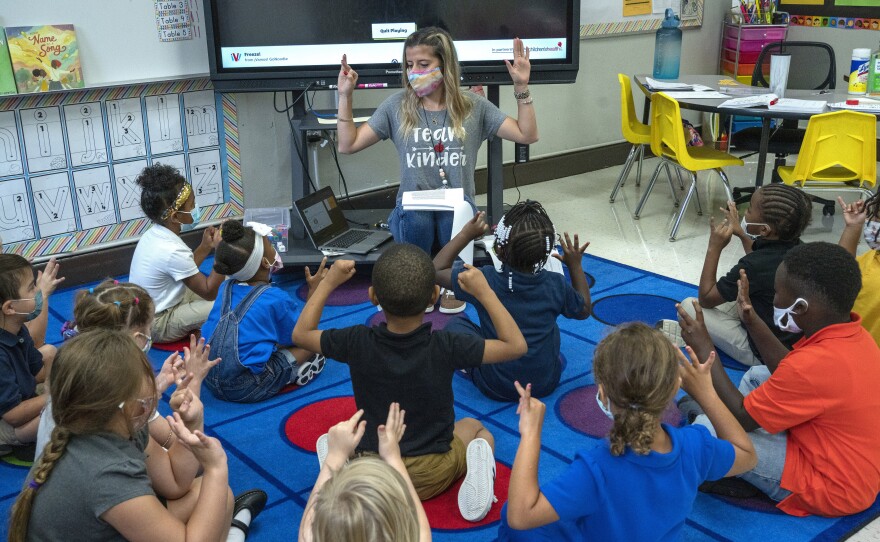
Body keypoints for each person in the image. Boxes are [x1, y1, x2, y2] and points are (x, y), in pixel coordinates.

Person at [293, 244, 527, 521]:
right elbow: (515, 346)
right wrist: (485, 293)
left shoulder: (356, 340)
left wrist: (328, 283)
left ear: (372, 297)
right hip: (432, 472)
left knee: (342, 433)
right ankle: (478, 474)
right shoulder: (447, 344)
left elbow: (301, 334)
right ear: (434, 295)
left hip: (374, 471)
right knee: (476, 430)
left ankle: (341, 467)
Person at [336, 26, 538, 310]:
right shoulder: (397, 106)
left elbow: (526, 135)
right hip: (412, 211)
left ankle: (446, 279)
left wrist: (521, 87)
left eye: (423, 64)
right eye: (409, 65)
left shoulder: (473, 106)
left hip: (456, 209)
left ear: (445, 65)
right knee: (417, 217)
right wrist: (345, 96)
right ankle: (420, 281)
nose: (413, 72)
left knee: (452, 219)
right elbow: (348, 144)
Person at [497, 323, 757, 540]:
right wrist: (706, 394)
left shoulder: (596, 469)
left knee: (512, 519)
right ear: (673, 389)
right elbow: (747, 455)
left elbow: (521, 516)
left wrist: (531, 433)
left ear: (602, 393)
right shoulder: (695, 446)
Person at [677, 242, 880, 516]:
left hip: (829, 487)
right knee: (757, 376)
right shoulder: (855, 335)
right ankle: (736, 457)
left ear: (802, 306)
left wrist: (705, 348)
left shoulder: (813, 366)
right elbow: (791, 371)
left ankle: (740, 472)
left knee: (707, 432)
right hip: (851, 461)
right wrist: (751, 320)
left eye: (777, 292)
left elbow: (741, 418)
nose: (773, 299)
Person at [8, 329, 268, 542]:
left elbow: (175, 483)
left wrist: (191, 424)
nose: (152, 403)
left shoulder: (110, 424)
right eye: (145, 401)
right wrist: (215, 468)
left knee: (216, 496)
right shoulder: (105, 474)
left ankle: (234, 528)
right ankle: (235, 531)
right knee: (216, 493)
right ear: (117, 406)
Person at [34, 280, 219, 465]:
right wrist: (193, 383)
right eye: (150, 326)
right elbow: (184, 453)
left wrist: (159, 384)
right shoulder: (128, 393)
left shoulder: (70, 367)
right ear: (138, 339)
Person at [434, 202, 591, 401]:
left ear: (499, 249)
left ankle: (471, 369)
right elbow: (584, 309)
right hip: (545, 383)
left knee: (456, 325)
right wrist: (575, 266)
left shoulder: (484, 280)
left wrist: (466, 234)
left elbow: (436, 270)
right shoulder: (556, 284)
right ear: (547, 251)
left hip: (495, 384)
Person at [660, 184, 812, 367]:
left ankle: (697, 336)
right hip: (789, 337)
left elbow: (706, 297)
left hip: (762, 352)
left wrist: (714, 247)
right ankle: (699, 332)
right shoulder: (800, 248)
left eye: (748, 210)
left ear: (764, 230)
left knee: (689, 307)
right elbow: (759, 260)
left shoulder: (753, 266)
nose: (744, 214)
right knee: (734, 293)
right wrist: (740, 233)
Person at [203, 220, 327, 402]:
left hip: (208, 376)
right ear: (264, 262)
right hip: (246, 387)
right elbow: (304, 333)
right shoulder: (275, 298)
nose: (274, 248)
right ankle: (289, 374)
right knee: (317, 341)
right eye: (270, 246)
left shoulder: (225, 287)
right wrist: (315, 291)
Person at [299, 403, 431, 542]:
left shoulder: (309, 537)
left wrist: (334, 456)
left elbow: (305, 529)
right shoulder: (417, 537)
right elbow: (420, 525)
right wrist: (393, 457)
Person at [129, 164, 224, 343]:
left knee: (228, 286)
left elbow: (184, 270)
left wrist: (205, 246)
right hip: (157, 323)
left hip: (157, 306)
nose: (196, 207)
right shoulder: (171, 249)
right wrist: (222, 253)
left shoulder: (155, 233)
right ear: (175, 217)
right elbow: (209, 292)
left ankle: (198, 324)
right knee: (226, 304)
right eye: (192, 204)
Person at [0, 255, 57, 457]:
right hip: (6, 422)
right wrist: (54, 397)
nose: (38, 291)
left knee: (51, 353)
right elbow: (13, 415)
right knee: (62, 413)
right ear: (9, 307)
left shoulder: (16, 327)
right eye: (33, 288)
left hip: (21, 396)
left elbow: (39, 371)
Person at [837, 195, 880, 344]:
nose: (874, 223)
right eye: (876, 216)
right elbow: (839, 272)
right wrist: (853, 227)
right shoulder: (871, 257)